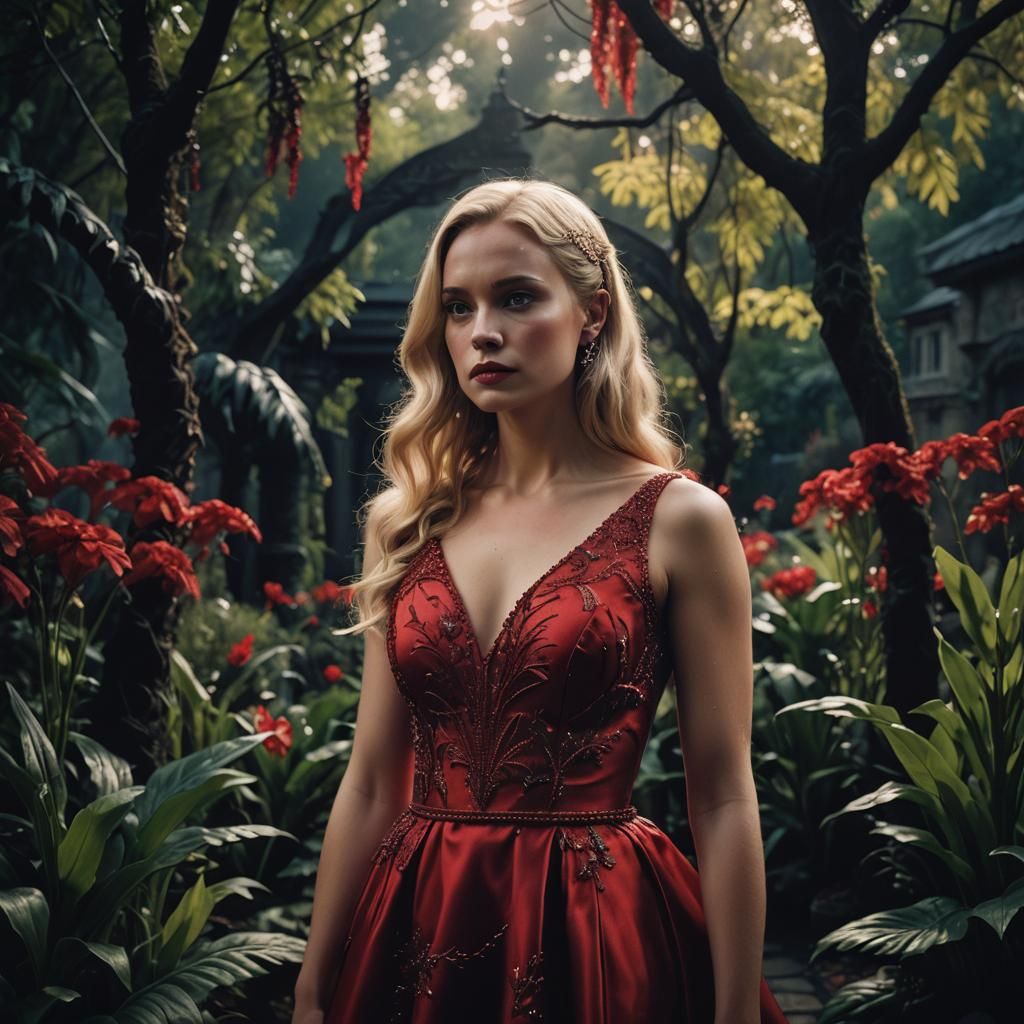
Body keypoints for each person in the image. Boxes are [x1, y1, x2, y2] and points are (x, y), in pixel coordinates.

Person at [292, 178, 789, 1024]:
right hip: (416, 919)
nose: (482, 331)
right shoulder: (407, 521)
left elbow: (722, 793)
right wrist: (311, 988)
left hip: (596, 929)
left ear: (592, 313)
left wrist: (735, 1010)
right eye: (457, 306)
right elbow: (374, 779)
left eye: (517, 297)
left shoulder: (681, 521)